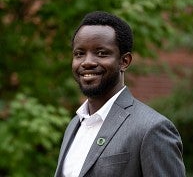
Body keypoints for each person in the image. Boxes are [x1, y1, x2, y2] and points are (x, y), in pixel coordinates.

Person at [54, 11, 185, 177]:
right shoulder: (74, 125)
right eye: (79, 54)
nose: (87, 62)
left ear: (124, 61)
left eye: (101, 53)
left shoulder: (151, 128)